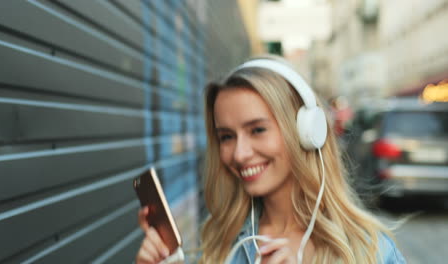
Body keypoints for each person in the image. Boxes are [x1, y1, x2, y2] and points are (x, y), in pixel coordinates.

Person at [135, 56, 406, 264]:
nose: (239, 154)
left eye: (257, 130)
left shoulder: (370, 250)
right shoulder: (223, 245)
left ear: (306, 132)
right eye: (227, 136)